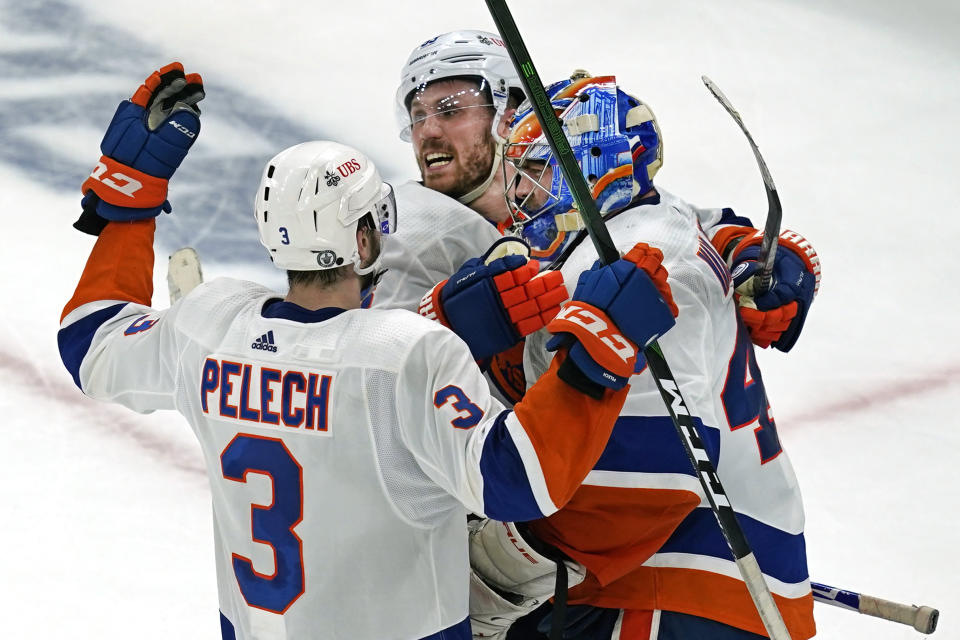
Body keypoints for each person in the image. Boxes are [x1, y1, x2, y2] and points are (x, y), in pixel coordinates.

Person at [57, 63, 681, 640]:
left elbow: (90, 340)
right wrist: (597, 356)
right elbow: (519, 481)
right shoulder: (408, 352)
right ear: (361, 236)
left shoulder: (210, 323)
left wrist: (130, 202)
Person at [456, 75, 821, 639]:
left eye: (539, 170)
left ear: (595, 165)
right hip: (670, 584)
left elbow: (648, 478)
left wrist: (495, 573)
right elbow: (708, 221)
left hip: (678, 591)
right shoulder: (640, 227)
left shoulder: (634, 261)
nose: (520, 194)